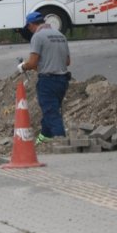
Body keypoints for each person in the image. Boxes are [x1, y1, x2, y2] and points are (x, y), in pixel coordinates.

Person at [17, 11, 71, 144]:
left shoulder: (38, 37)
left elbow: (33, 62)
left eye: (28, 27)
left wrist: (23, 66)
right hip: (63, 80)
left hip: (48, 81)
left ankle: (62, 142)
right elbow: (67, 61)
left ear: (30, 25)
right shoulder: (60, 35)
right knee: (51, 109)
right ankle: (44, 137)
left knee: (51, 112)